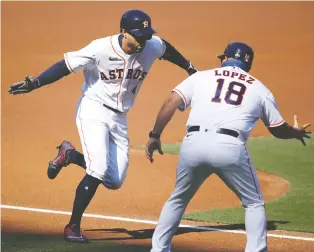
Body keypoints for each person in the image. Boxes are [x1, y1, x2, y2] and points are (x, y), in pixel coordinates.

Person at [8, 9, 197, 243]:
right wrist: (36, 83)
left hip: (120, 118)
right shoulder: (99, 49)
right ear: (124, 32)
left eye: (146, 35)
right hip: (93, 109)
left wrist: (189, 67)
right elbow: (65, 66)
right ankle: (73, 227)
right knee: (97, 169)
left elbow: (166, 48)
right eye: (138, 36)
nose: (143, 41)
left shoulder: (151, 45)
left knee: (114, 180)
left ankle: (69, 155)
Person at [145, 41, 311, 252]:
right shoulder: (260, 88)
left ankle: (158, 249)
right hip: (230, 147)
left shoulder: (200, 77)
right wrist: (295, 133)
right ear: (248, 64)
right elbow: (278, 129)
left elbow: (171, 101)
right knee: (253, 203)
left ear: (225, 59)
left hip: (193, 144)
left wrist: (155, 135)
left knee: (178, 198)